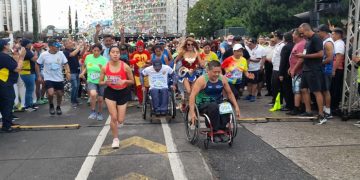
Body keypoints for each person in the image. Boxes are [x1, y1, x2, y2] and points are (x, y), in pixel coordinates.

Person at [189, 60, 240, 142]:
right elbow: (192, 96)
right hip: (203, 104)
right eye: (214, 72)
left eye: (218, 72)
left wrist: (236, 106)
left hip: (217, 102)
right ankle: (215, 130)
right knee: (214, 106)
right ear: (208, 71)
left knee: (226, 105)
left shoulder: (222, 79)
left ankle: (222, 129)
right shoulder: (202, 80)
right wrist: (192, 113)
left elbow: (230, 93)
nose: (217, 74)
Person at [99, 45, 134, 149]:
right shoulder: (105, 67)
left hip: (123, 92)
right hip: (110, 93)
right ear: (109, 54)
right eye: (113, 52)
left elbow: (132, 81)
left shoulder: (125, 66)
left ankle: (118, 123)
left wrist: (125, 81)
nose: (115, 54)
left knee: (120, 120)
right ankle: (115, 139)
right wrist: (105, 81)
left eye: (117, 52)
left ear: (120, 54)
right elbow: (100, 82)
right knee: (113, 117)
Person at [296, 23, 327, 124]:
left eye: (302, 33)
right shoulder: (308, 40)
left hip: (314, 69)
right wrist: (302, 56)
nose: (302, 36)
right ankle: (308, 111)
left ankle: (321, 114)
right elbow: (306, 53)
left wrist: (304, 56)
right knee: (303, 89)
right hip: (306, 68)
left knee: (316, 91)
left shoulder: (316, 38)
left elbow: (321, 54)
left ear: (306, 30)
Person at [36, 39, 71, 115]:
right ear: (50, 47)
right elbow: (37, 64)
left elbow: (66, 64)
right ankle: (51, 105)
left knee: (59, 94)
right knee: (51, 93)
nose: (58, 48)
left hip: (59, 78)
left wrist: (68, 72)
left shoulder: (61, 54)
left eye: (58, 46)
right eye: (56, 46)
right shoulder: (44, 55)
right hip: (48, 77)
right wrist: (39, 75)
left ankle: (58, 107)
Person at [0, 39, 25, 132]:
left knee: (9, 101)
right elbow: (17, 69)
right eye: (7, 43)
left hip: (5, 83)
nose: (9, 44)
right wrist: (22, 57)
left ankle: (8, 121)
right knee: (7, 103)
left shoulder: (4, 56)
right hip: (4, 83)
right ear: (4, 46)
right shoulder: (3, 56)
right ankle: (6, 126)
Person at [80, 43, 107, 121]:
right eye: (94, 50)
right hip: (91, 80)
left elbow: (107, 71)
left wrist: (102, 68)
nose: (96, 52)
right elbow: (86, 67)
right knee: (93, 94)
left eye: (98, 51)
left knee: (100, 99)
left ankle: (100, 113)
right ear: (92, 50)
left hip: (101, 81)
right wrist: (82, 73)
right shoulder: (88, 57)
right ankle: (93, 111)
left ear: (101, 51)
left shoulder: (104, 59)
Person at [317, 24, 335, 120]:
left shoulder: (328, 43)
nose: (318, 33)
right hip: (324, 69)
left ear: (323, 32)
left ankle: (328, 111)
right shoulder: (325, 42)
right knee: (323, 90)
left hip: (326, 70)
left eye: (318, 31)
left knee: (326, 90)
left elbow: (330, 58)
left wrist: (319, 63)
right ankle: (325, 109)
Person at [287, 28, 306, 115]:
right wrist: (290, 68)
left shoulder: (301, 44)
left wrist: (294, 69)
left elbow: (301, 59)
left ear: (298, 35)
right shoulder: (297, 44)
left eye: (294, 34)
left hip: (299, 72)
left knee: (297, 90)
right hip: (295, 71)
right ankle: (300, 107)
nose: (292, 35)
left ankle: (297, 108)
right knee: (297, 90)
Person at [63, 39, 85, 107]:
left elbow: (80, 54)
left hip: (77, 71)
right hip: (71, 71)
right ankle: (73, 101)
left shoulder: (73, 49)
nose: (72, 43)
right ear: (66, 44)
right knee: (74, 86)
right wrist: (79, 46)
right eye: (70, 43)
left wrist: (84, 47)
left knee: (77, 86)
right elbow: (72, 54)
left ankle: (75, 100)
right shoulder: (65, 51)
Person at [129, 40, 151, 108]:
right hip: (137, 74)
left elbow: (150, 62)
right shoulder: (134, 54)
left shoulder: (147, 53)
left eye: (141, 47)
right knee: (139, 88)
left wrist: (146, 64)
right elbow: (131, 63)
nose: (140, 48)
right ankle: (141, 101)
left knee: (147, 87)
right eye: (139, 47)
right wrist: (132, 63)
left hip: (146, 74)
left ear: (143, 47)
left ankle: (146, 100)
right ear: (137, 47)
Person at [19, 39, 38, 112]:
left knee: (29, 89)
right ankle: (28, 106)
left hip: (26, 73)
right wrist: (36, 53)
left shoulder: (24, 50)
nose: (31, 44)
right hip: (28, 73)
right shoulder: (27, 51)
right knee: (29, 90)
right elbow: (34, 59)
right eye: (30, 43)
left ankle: (29, 104)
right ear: (27, 44)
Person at [245, 37, 266, 102]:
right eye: (248, 43)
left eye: (250, 44)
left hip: (255, 69)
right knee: (249, 82)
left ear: (254, 44)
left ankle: (253, 95)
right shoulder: (246, 48)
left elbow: (258, 60)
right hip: (247, 68)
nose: (249, 45)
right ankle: (250, 94)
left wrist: (249, 59)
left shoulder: (259, 49)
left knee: (254, 82)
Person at [330, 27, 345, 114]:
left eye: (333, 34)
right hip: (335, 68)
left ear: (338, 34)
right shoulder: (335, 43)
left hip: (338, 69)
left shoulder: (339, 43)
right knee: (333, 88)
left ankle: (334, 106)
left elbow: (338, 58)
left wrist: (334, 69)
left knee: (335, 89)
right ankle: (332, 106)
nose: (332, 35)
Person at [279, 31, 295, 111]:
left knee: (286, 89)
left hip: (286, 70)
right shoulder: (294, 45)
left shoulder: (285, 47)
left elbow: (283, 61)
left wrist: (280, 73)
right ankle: (292, 104)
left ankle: (289, 105)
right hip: (293, 69)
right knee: (292, 89)